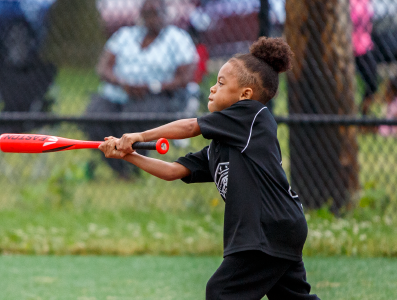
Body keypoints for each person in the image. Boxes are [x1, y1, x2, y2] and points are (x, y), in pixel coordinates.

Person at [99, 37, 320, 299]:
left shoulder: (252, 116)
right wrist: (128, 155)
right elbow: (172, 171)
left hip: (267, 229)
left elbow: (191, 126)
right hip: (279, 228)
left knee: (220, 292)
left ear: (245, 95)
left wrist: (139, 135)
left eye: (221, 83)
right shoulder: (220, 145)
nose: (212, 89)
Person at [83, 0, 197, 180]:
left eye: (155, 13)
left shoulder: (178, 38)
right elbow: (103, 68)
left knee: (133, 118)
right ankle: (120, 170)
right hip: (118, 93)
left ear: (165, 14)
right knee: (94, 117)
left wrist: (151, 86)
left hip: (157, 95)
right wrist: (123, 84)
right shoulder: (125, 35)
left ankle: (136, 167)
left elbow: (185, 77)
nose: (151, 18)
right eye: (147, 13)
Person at [351, 0, 379, 117]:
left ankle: (363, 115)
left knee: (373, 84)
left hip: (365, 46)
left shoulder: (366, 1)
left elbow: (369, 22)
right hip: (351, 48)